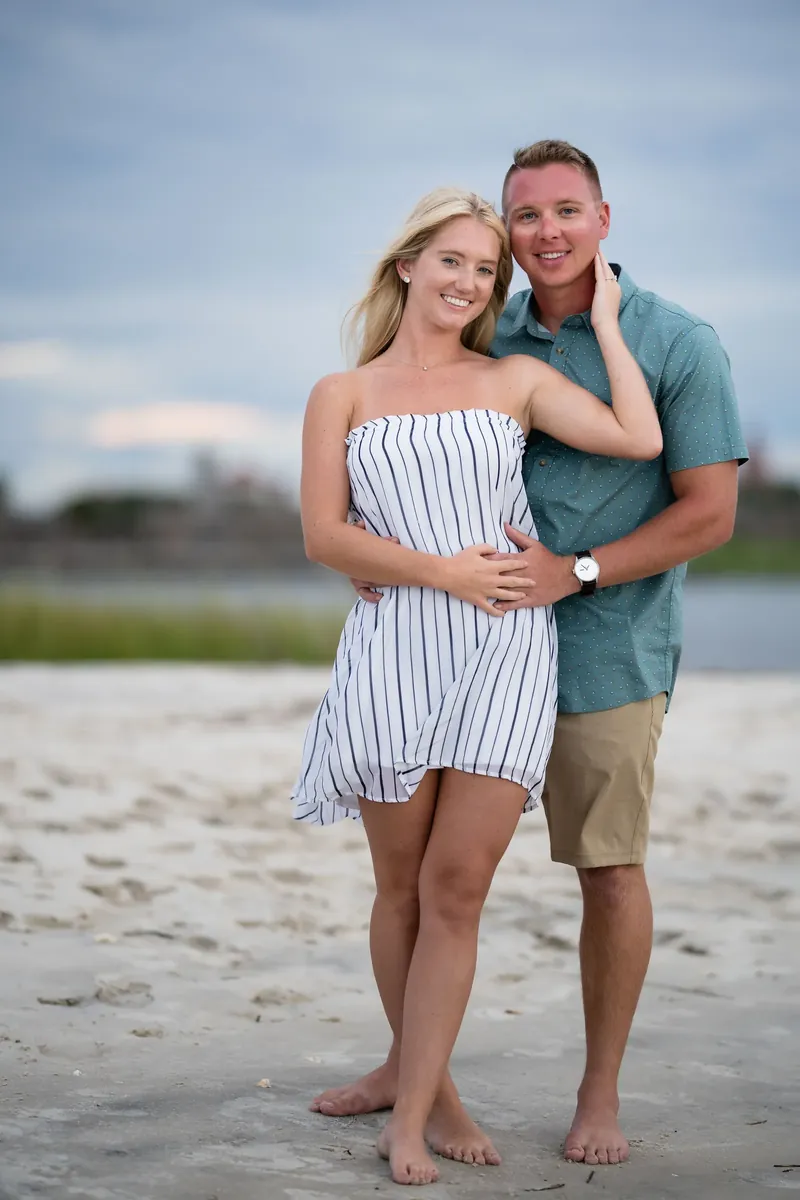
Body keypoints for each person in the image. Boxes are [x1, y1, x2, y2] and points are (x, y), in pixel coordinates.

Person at [314, 142, 748, 1170]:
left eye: (566, 211)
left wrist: (578, 572)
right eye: (525, 218)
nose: (543, 233)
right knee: (417, 881)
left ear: (602, 219)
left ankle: (595, 1095)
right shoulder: (487, 325)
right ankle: (410, 1075)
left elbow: (708, 514)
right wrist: (386, 558)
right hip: (444, 632)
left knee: (602, 868)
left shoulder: (675, 341)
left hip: (598, 640)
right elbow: (369, 487)